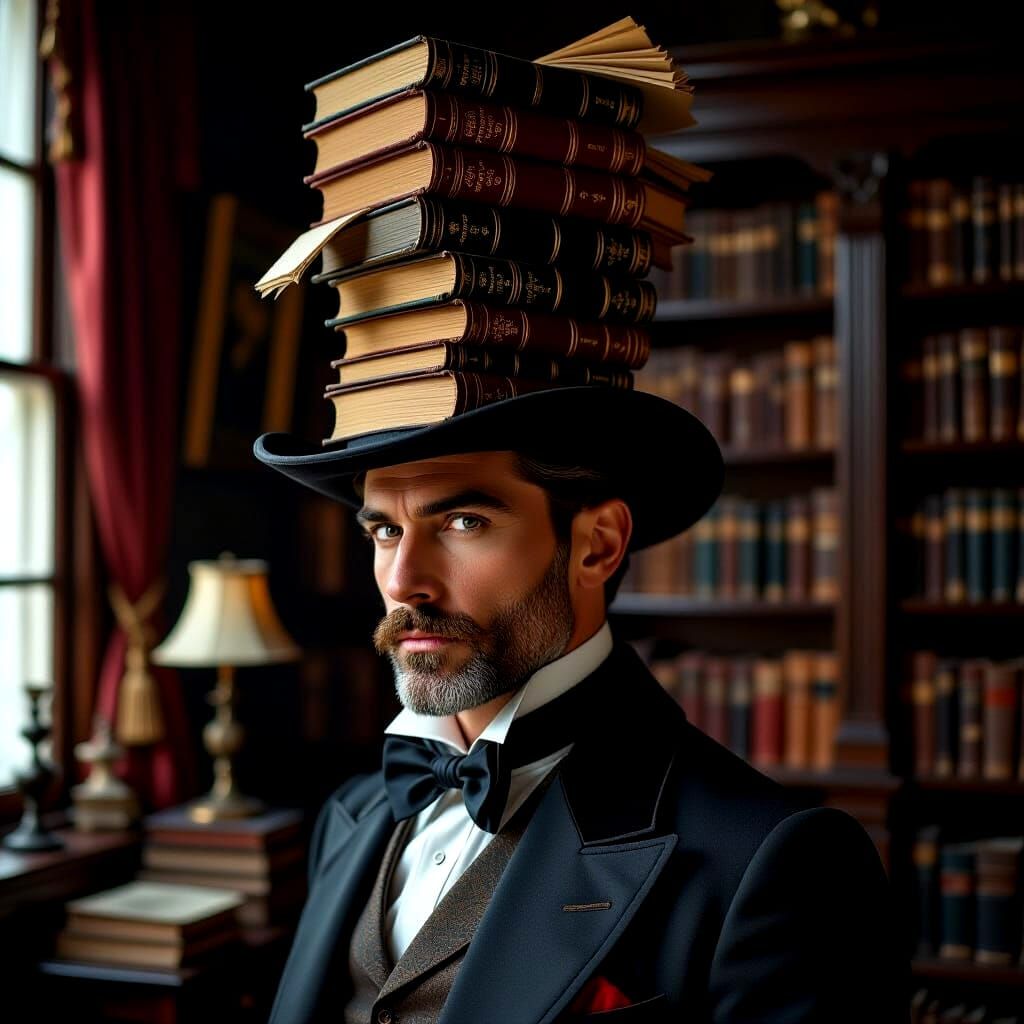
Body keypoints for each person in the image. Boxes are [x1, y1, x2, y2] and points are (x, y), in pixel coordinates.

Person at [254, 386, 907, 1024]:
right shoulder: (350, 813)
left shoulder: (777, 860)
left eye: (463, 522)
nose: (403, 581)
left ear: (597, 544)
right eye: (387, 530)